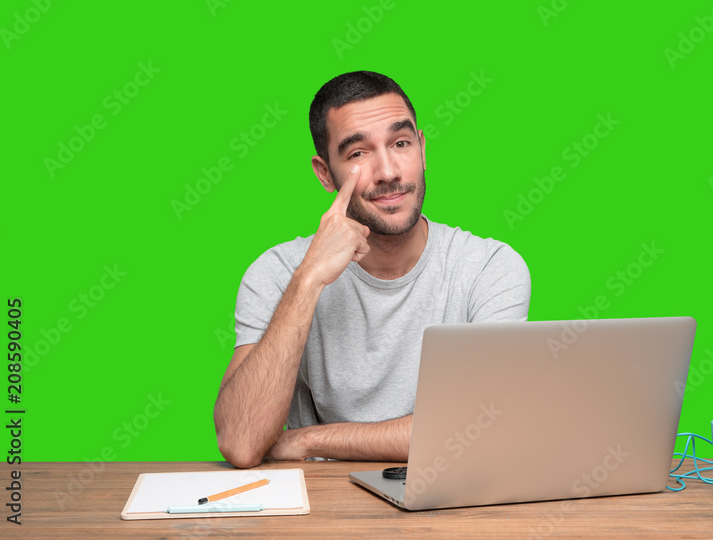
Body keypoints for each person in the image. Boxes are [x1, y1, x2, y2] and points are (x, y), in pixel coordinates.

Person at [213, 71, 531, 469]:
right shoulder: (278, 273)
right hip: (320, 516)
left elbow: (486, 429)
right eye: (358, 153)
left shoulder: (489, 269)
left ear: (422, 150)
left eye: (401, 143)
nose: (389, 172)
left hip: (447, 505)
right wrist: (309, 278)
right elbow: (241, 443)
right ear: (325, 173)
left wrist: (311, 440)